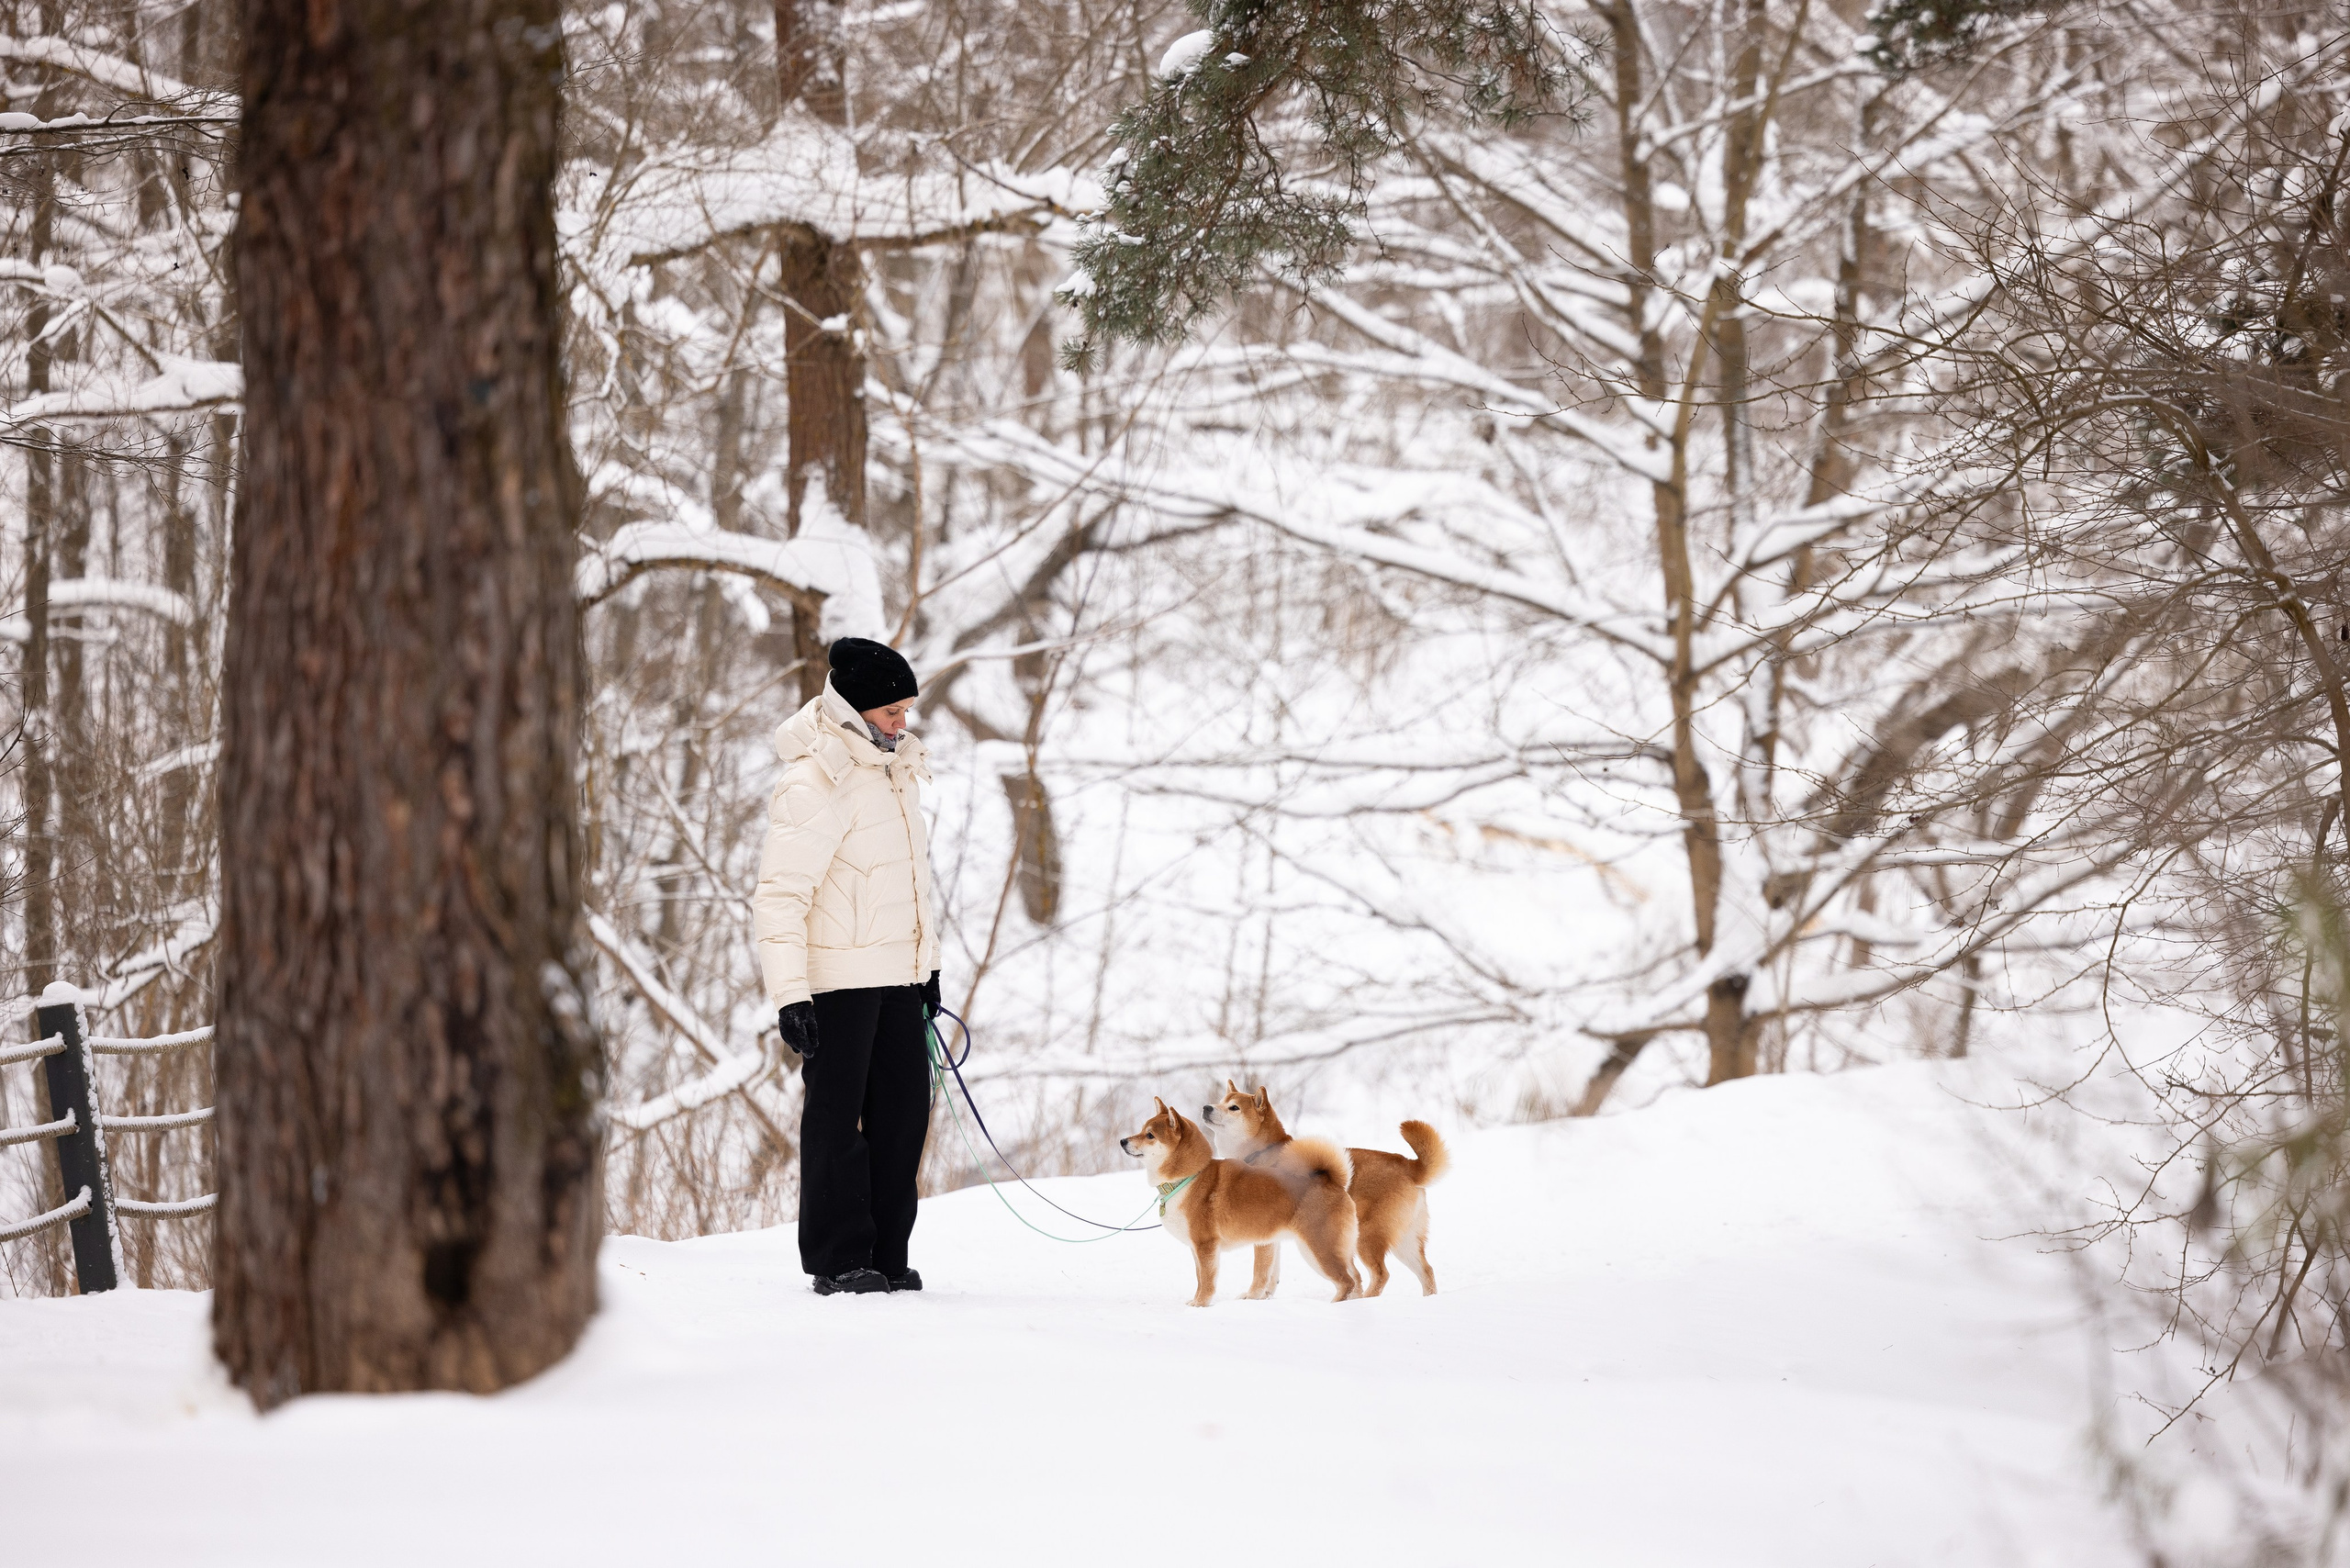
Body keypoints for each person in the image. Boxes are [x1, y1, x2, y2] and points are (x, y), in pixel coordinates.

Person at [753, 637, 943, 1295]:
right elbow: (781, 896)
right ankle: (840, 1260)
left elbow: (913, 883)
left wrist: (928, 968)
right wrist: (790, 996)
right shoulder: (815, 779)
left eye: (908, 711)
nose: (904, 723)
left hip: (897, 977)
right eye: (894, 711)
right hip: (835, 983)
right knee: (838, 1125)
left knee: (903, 1119)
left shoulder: (896, 772)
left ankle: (887, 1255)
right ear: (858, 708)